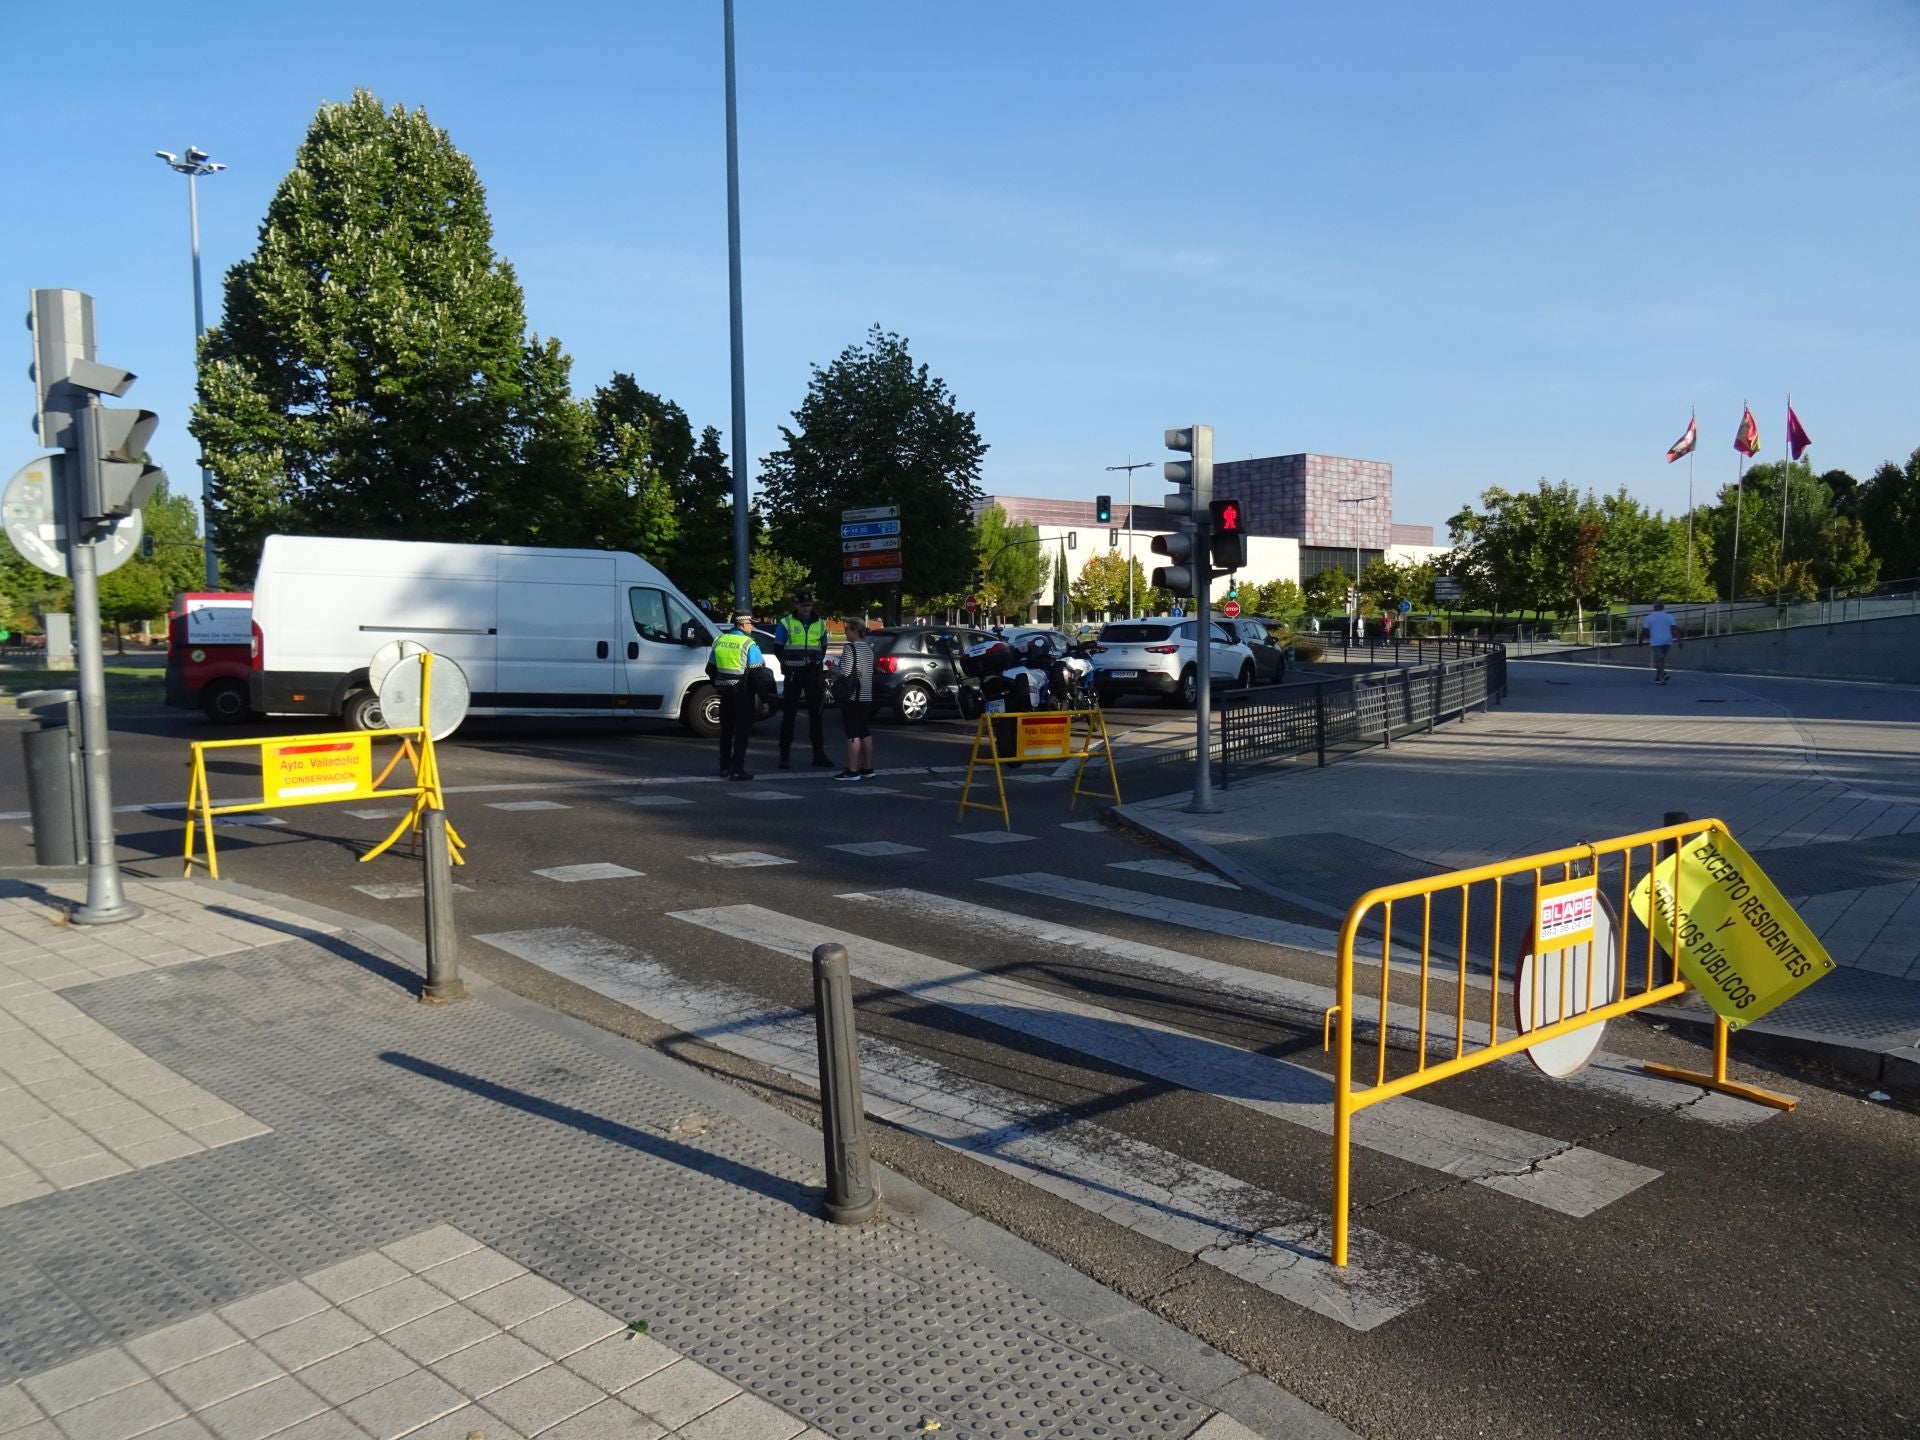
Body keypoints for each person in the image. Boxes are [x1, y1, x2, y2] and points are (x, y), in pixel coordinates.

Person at [771, 589, 832, 770]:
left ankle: (819, 754)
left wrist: (817, 665)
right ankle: (784, 755)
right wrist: (787, 664)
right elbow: (777, 647)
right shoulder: (786, 623)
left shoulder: (820, 624)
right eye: (803, 605)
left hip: (812, 674)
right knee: (789, 714)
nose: (807, 609)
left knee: (816, 715)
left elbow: (823, 647)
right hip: (793, 674)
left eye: (809, 605)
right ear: (796, 605)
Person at [706, 609, 764, 779]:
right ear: (744, 624)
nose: (752, 627)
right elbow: (757, 675)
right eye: (751, 624)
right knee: (742, 733)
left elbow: (710, 669)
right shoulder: (748, 644)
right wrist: (765, 698)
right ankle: (737, 769)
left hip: (725, 694)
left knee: (726, 732)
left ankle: (724, 767)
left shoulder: (719, 641)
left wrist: (719, 684)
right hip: (743, 694)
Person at [835, 617, 876, 782]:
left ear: (854, 631)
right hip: (866, 693)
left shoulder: (850, 649)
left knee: (852, 733)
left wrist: (832, 669)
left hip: (852, 695)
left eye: (847, 630)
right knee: (864, 731)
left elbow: (845, 672)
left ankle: (852, 771)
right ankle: (867, 767)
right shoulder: (869, 649)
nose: (845, 632)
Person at [1642, 601, 1680, 684]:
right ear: (1663, 607)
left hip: (1656, 642)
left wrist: (1641, 640)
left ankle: (1663, 674)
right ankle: (1658, 678)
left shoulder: (1649, 617)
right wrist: (1679, 640)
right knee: (1661, 659)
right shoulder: (1669, 616)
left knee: (1658, 660)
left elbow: (1644, 630)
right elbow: (1675, 629)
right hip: (1667, 641)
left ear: (1654, 608)